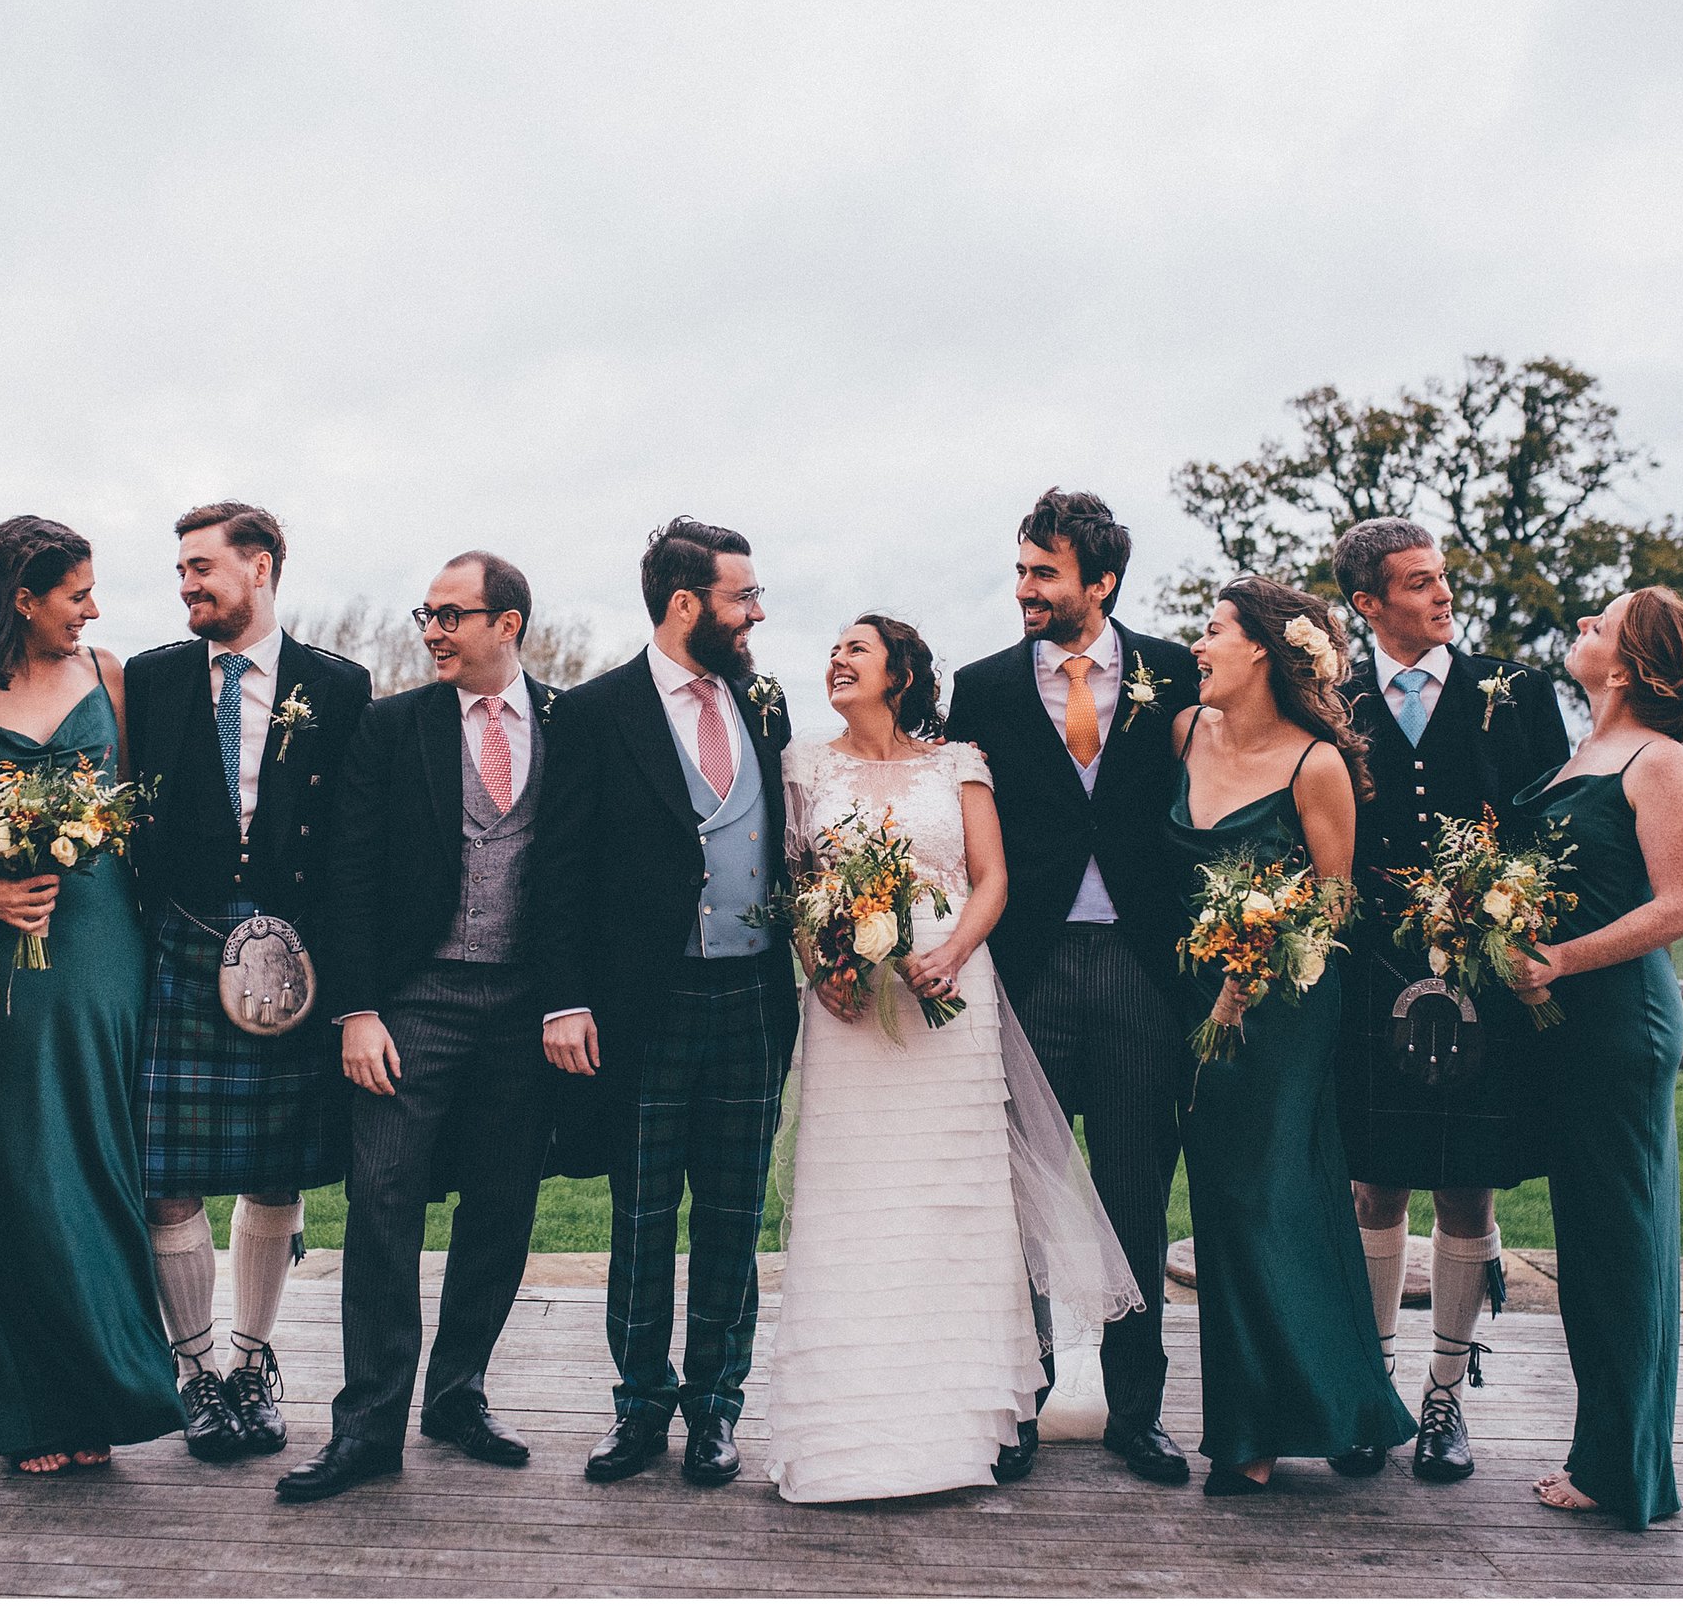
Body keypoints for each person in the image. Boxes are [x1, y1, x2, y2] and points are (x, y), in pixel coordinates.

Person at [1329, 519, 1683, 1483]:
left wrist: (1673, 896)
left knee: (1466, 1179)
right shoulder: (1336, 700)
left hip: (1502, 982)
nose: (1443, 595)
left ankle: (1445, 1400)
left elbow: (1554, 844)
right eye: (1418, 582)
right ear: (1368, 604)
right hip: (1374, 975)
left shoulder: (1513, 692)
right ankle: (1373, 1391)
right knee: (1375, 1178)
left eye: (1445, 577)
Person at [767, 616, 1142, 1504]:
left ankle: (964, 1426)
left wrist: (952, 955)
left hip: (952, 997)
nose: (837, 660)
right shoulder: (803, 767)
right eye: (833, 650)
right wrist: (825, 968)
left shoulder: (957, 762)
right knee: (855, 1205)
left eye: (855, 649)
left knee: (954, 1204)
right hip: (852, 1009)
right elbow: (792, 885)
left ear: (901, 672)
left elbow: (993, 879)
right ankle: (844, 1433)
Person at [276, 552, 563, 1502]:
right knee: (383, 1205)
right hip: (411, 1005)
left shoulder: (570, 724)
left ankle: (459, 1391)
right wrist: (357, 1008)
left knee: (502, 1207)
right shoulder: (392, 728)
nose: (432, 630)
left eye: (451, 616)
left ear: (507, 624)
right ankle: (366, 1429)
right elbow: (347, 873)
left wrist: (571, 997)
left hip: (526, 1009)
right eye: (426, 616)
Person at [531, 517, 799, 1488]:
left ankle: (715, 1410)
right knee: (640, 1216)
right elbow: (554, 871)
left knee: (731, 1217)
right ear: (686, 604)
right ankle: (639, 1408)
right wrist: (563, 1000)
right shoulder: (596, 711)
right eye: (743, 596)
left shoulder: (765, 704)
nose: (757, 612)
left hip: (752, 998)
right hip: (644, 1002)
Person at [0, 517, 185, 1473]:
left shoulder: (108, 674)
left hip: (107, 946)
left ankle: (108, 1393)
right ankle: (34, 1412)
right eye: (76, 594)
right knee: (16, 1176)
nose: (94, 610)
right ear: (24, 600)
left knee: (100, 1167)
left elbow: (150, 811)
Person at [945, 490, 1202, 1487]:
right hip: (1029, 970)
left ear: (1098, 582)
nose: (1025, 590)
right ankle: (1023, 1400)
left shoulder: (1175, 673)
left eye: (1044, 572)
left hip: (1143, 969)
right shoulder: (981, 688)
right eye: (1020, 570)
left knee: (1137, 1188)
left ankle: (1138, 1411)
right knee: (1020, 1198)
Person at [122, 502, 373, 1461]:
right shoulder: (148, 679)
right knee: (168, 1178)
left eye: (200, 567)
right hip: (180, 947)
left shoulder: (337, 687)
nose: (185, 584)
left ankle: (254, 1363)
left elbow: (355, 844)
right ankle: (196, 1377)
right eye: (180, 569)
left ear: (259, 567)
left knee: (276, 1169)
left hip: (292, 958)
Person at [1168, 576, 1414, 1495]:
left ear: (1263, 650)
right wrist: (1211, 969)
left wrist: (1260, 953)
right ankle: (1290, 1415)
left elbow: (1338, 898)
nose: (1198, 644)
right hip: (1193, 997)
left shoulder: (1317, 763)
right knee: (1225, 1209)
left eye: (1213, 630)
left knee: (1271, 1196)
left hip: (1287, 1007)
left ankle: (1287, 1426)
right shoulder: (1183, 733)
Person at [1505, 586, 1683, 1530]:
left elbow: (1677, 905)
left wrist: (1555, 958)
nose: (1583, 625)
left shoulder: (1659, 759)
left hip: (1617, 1025)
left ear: (1628, 666)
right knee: (1591, 1248)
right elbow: (1610, 875)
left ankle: (1623, 1471)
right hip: (1565, 1029)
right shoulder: (1584, 753)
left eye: (1603, 622)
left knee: (1620, 1251)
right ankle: (1610, 1451)